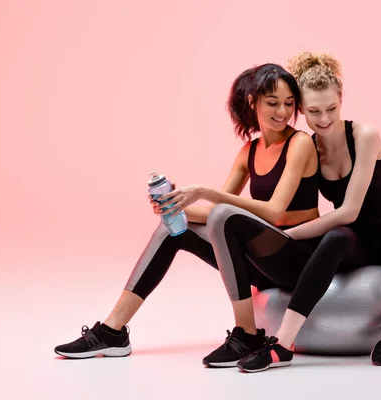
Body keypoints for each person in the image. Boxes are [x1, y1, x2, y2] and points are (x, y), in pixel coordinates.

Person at [53, 63, 321, 366]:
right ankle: (113, 331)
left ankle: (247, 334)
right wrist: (175, 206)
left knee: (223, 215)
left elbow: (273, 211)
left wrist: (206, 193)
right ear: (253, 101)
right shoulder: (249, 152)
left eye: (289, 104)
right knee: (173, 229)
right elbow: (211, 214)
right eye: (273, 103)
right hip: (264, 264)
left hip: (298, 258)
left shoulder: (300, 143)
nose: (283, 112)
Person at [202, 52, 381, 373]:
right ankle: (282, 345)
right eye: (314, 112)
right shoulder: (307, 146)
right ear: (300, 110)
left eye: (332, 108)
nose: (324, 118)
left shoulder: (365, 136)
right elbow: (295, 204)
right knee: (336, 238)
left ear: (341, 101)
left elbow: (349, 210)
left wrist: (290, 235)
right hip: (361, 245)